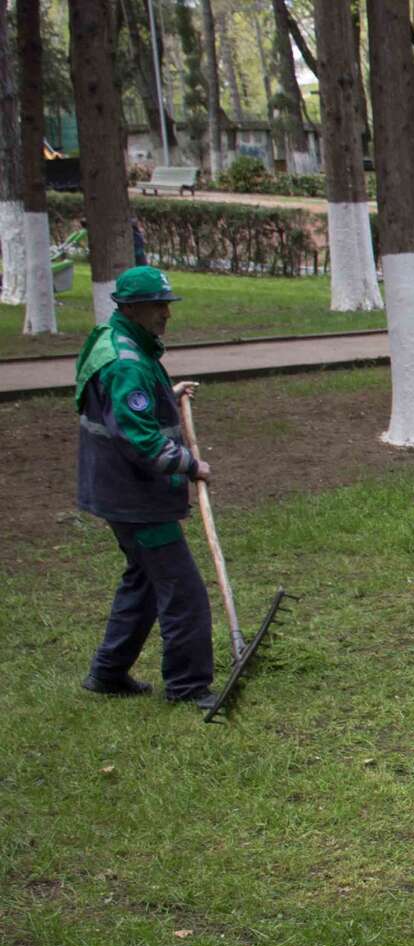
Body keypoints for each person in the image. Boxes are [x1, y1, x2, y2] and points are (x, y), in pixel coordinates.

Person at [74, 265, 217, 708]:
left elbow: (125, 408)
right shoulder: (126, 362)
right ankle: (189, 687)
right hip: (135, 498)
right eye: (159, 306)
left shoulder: (116, 341)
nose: (166, 314)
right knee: (183, 590)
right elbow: (137, 437)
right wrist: (190, 464)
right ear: (132, 307)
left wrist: (164, 396)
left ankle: (108, 673)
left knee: (143, 581)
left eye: (167, 305)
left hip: (116, 492)